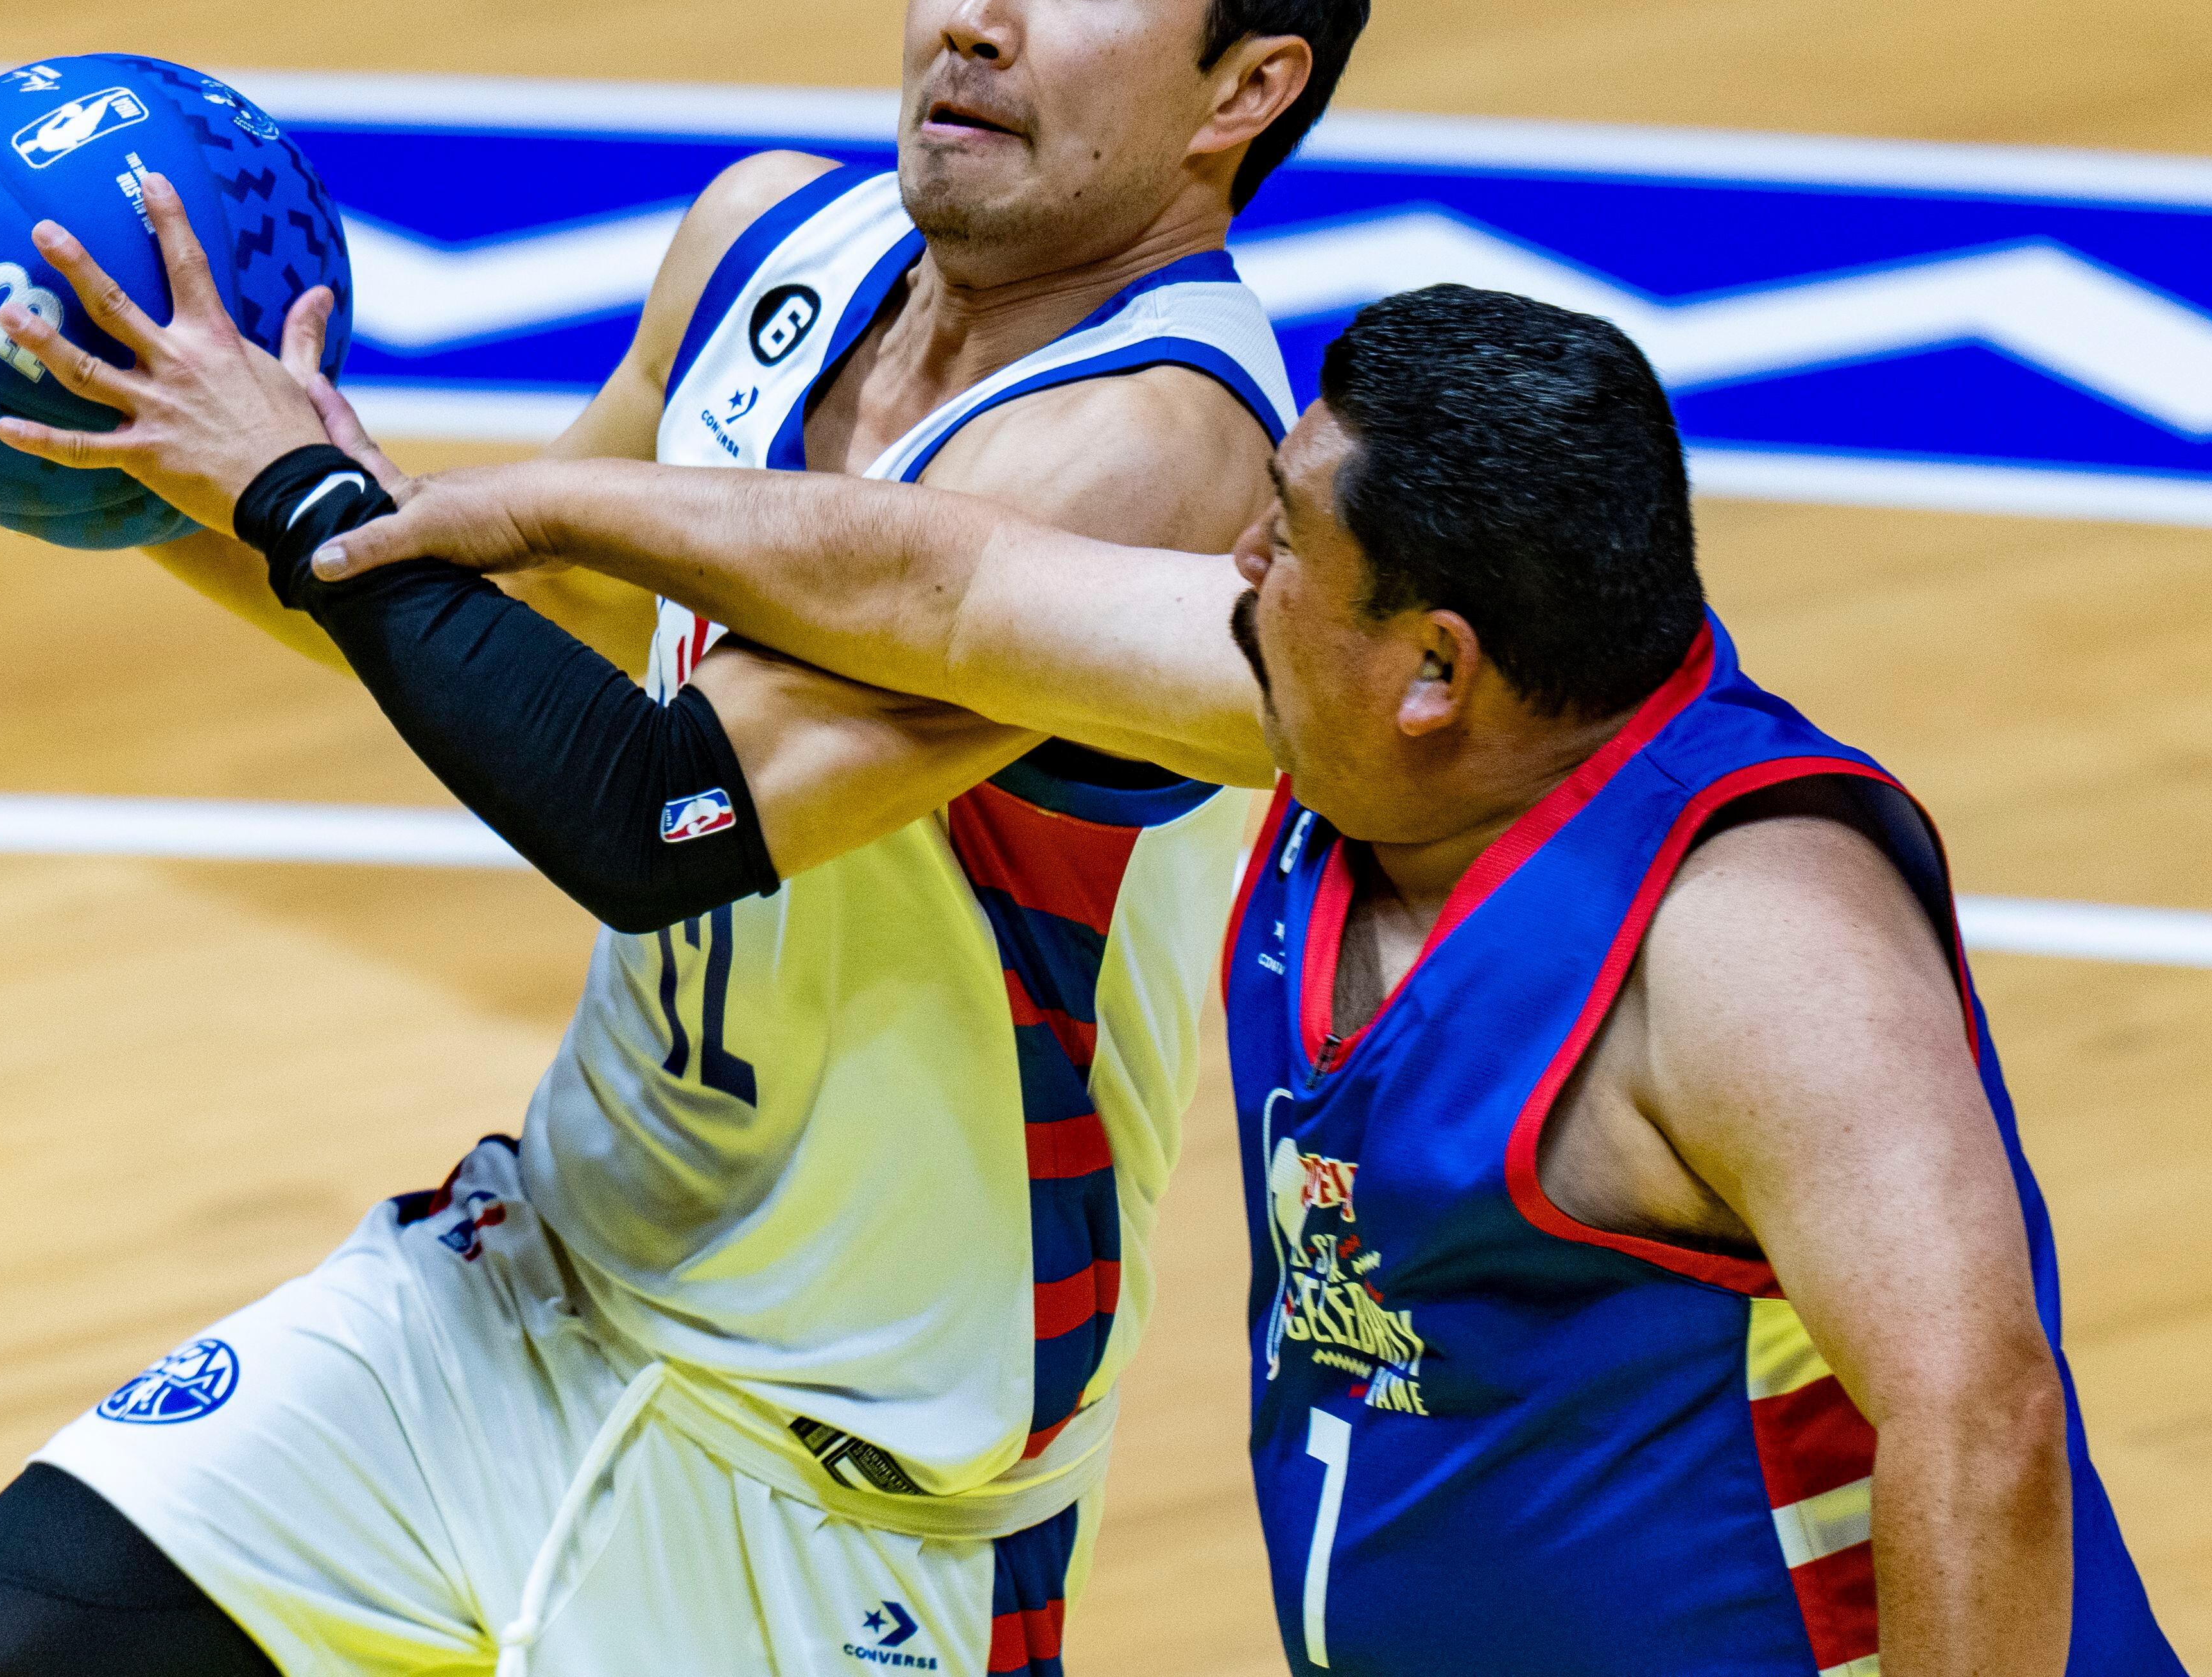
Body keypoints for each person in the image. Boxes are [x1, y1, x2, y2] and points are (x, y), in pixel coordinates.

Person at [0, 0, 1377, 1677]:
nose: (975, 18)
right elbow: (532, 626)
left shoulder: (1155, 453)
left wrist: (298, 491)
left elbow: (658, 812)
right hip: (535, 1288)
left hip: (843, 1466)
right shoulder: (769, 241)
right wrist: (130, 457)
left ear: (1243, 87)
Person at [299, 284, 2186, 1677]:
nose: (1233, 553)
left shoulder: (1751, 938)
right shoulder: (1342, 716)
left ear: (1435, 665)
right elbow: (942, 588)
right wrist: (540, 510)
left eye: (1284, 538)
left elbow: (1980, 1420)